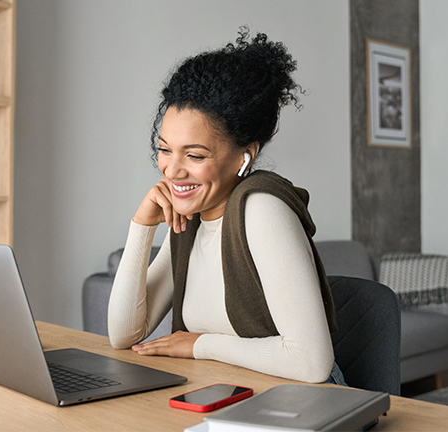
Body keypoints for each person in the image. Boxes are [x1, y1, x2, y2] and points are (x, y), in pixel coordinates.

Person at [107, 28, 344, 385]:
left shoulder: (262, 208)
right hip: (222, 396)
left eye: (195, 155)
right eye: (165, 149)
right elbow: (124, 334)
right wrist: (142, 227)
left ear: (244, 157)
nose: (172, 169)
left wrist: (201, 345)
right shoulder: (190, 220)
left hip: (300, 404)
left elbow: (311, 363)